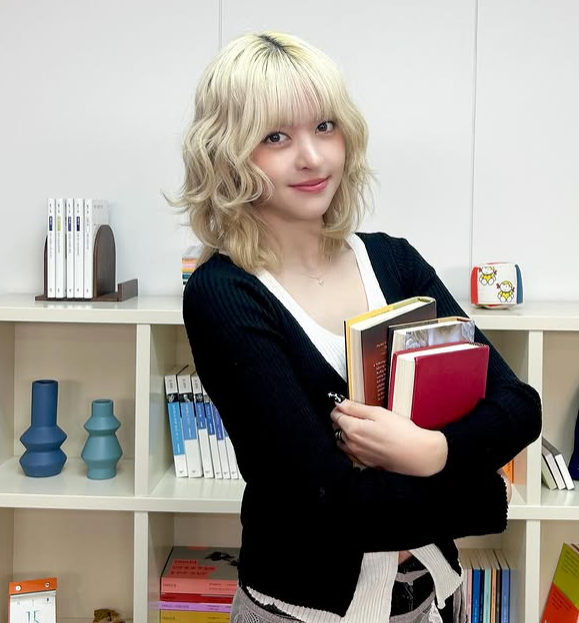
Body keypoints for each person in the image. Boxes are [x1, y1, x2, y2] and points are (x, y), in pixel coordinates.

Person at [174, 31, 542, 623]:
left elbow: (521, 406)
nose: (312, 158)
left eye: (325, 127)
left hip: (428, 599)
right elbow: (333, 507)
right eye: (275, 137)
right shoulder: (224, 293)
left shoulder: (394, 261)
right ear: (228, 154)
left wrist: (433, 451)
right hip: (301, 611)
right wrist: (485, 491)